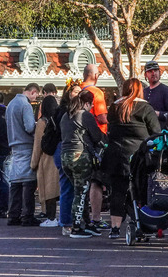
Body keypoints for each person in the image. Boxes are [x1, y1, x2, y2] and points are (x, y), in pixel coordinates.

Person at [101, 78, 160, 239]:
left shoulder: (115, 107)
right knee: (141, 191)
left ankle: (115, 227)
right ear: (140, 90)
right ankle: (141, 223)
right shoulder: (145, 108)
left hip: (116, 156)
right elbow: (156, 132)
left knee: (117, 192)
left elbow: (110, 129)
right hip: (139, 158)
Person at [61, 89, 105, 238]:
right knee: (81, 192)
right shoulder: (84, 115)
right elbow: (97, 136)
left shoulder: (65, 116)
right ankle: (77, 227)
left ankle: (87, 223)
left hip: (65, 157)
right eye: (91, 105)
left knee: (80, 191)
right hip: (80, 157)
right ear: (87, 103)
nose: (91, 108)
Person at [6, 83, 41, 227]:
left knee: (15, 182)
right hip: (26, 145)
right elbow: (29, 126)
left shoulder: (10, 104)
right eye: (36, 96)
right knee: (28, 181)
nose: (35, 99)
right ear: (33, 92)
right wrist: (37, 124)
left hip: (14, 145)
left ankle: (13, 215)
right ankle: (27, 215)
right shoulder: (25, 105)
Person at [80, 64, 110, 229]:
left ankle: (79, 218)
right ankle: (96, 218)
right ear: (96, 75)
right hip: (96, 140)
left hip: (78, 141)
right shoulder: (96, 93)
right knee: (96, 181)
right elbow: (102, 118)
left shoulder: (76, 90)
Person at [53, 81, 82, 235]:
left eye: (80, 91)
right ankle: (66, 222)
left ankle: (70, 220)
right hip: (64, 148)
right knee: (68, 185)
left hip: (64, 149)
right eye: (75, 91)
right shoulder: (65, 112)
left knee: (72, 186)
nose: (78, 94)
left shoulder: (66, 110)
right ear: (69, 92)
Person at [30, 96, 60, 227]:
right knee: (59, 189)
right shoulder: (59, 119)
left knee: (48, 190)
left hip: (46, 159)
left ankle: (51, 217)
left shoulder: (42, 122)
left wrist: (33, 163)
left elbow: (37, 145)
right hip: (59, 156)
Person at [143, 60, 168, 130]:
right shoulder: (143, 92)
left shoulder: (167, 92)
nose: (153, 73)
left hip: (161, 135)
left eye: (156, 70)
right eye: (150, 71)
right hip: (145, 134)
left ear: (159, 72)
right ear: (145, 75)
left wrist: (156, 114)